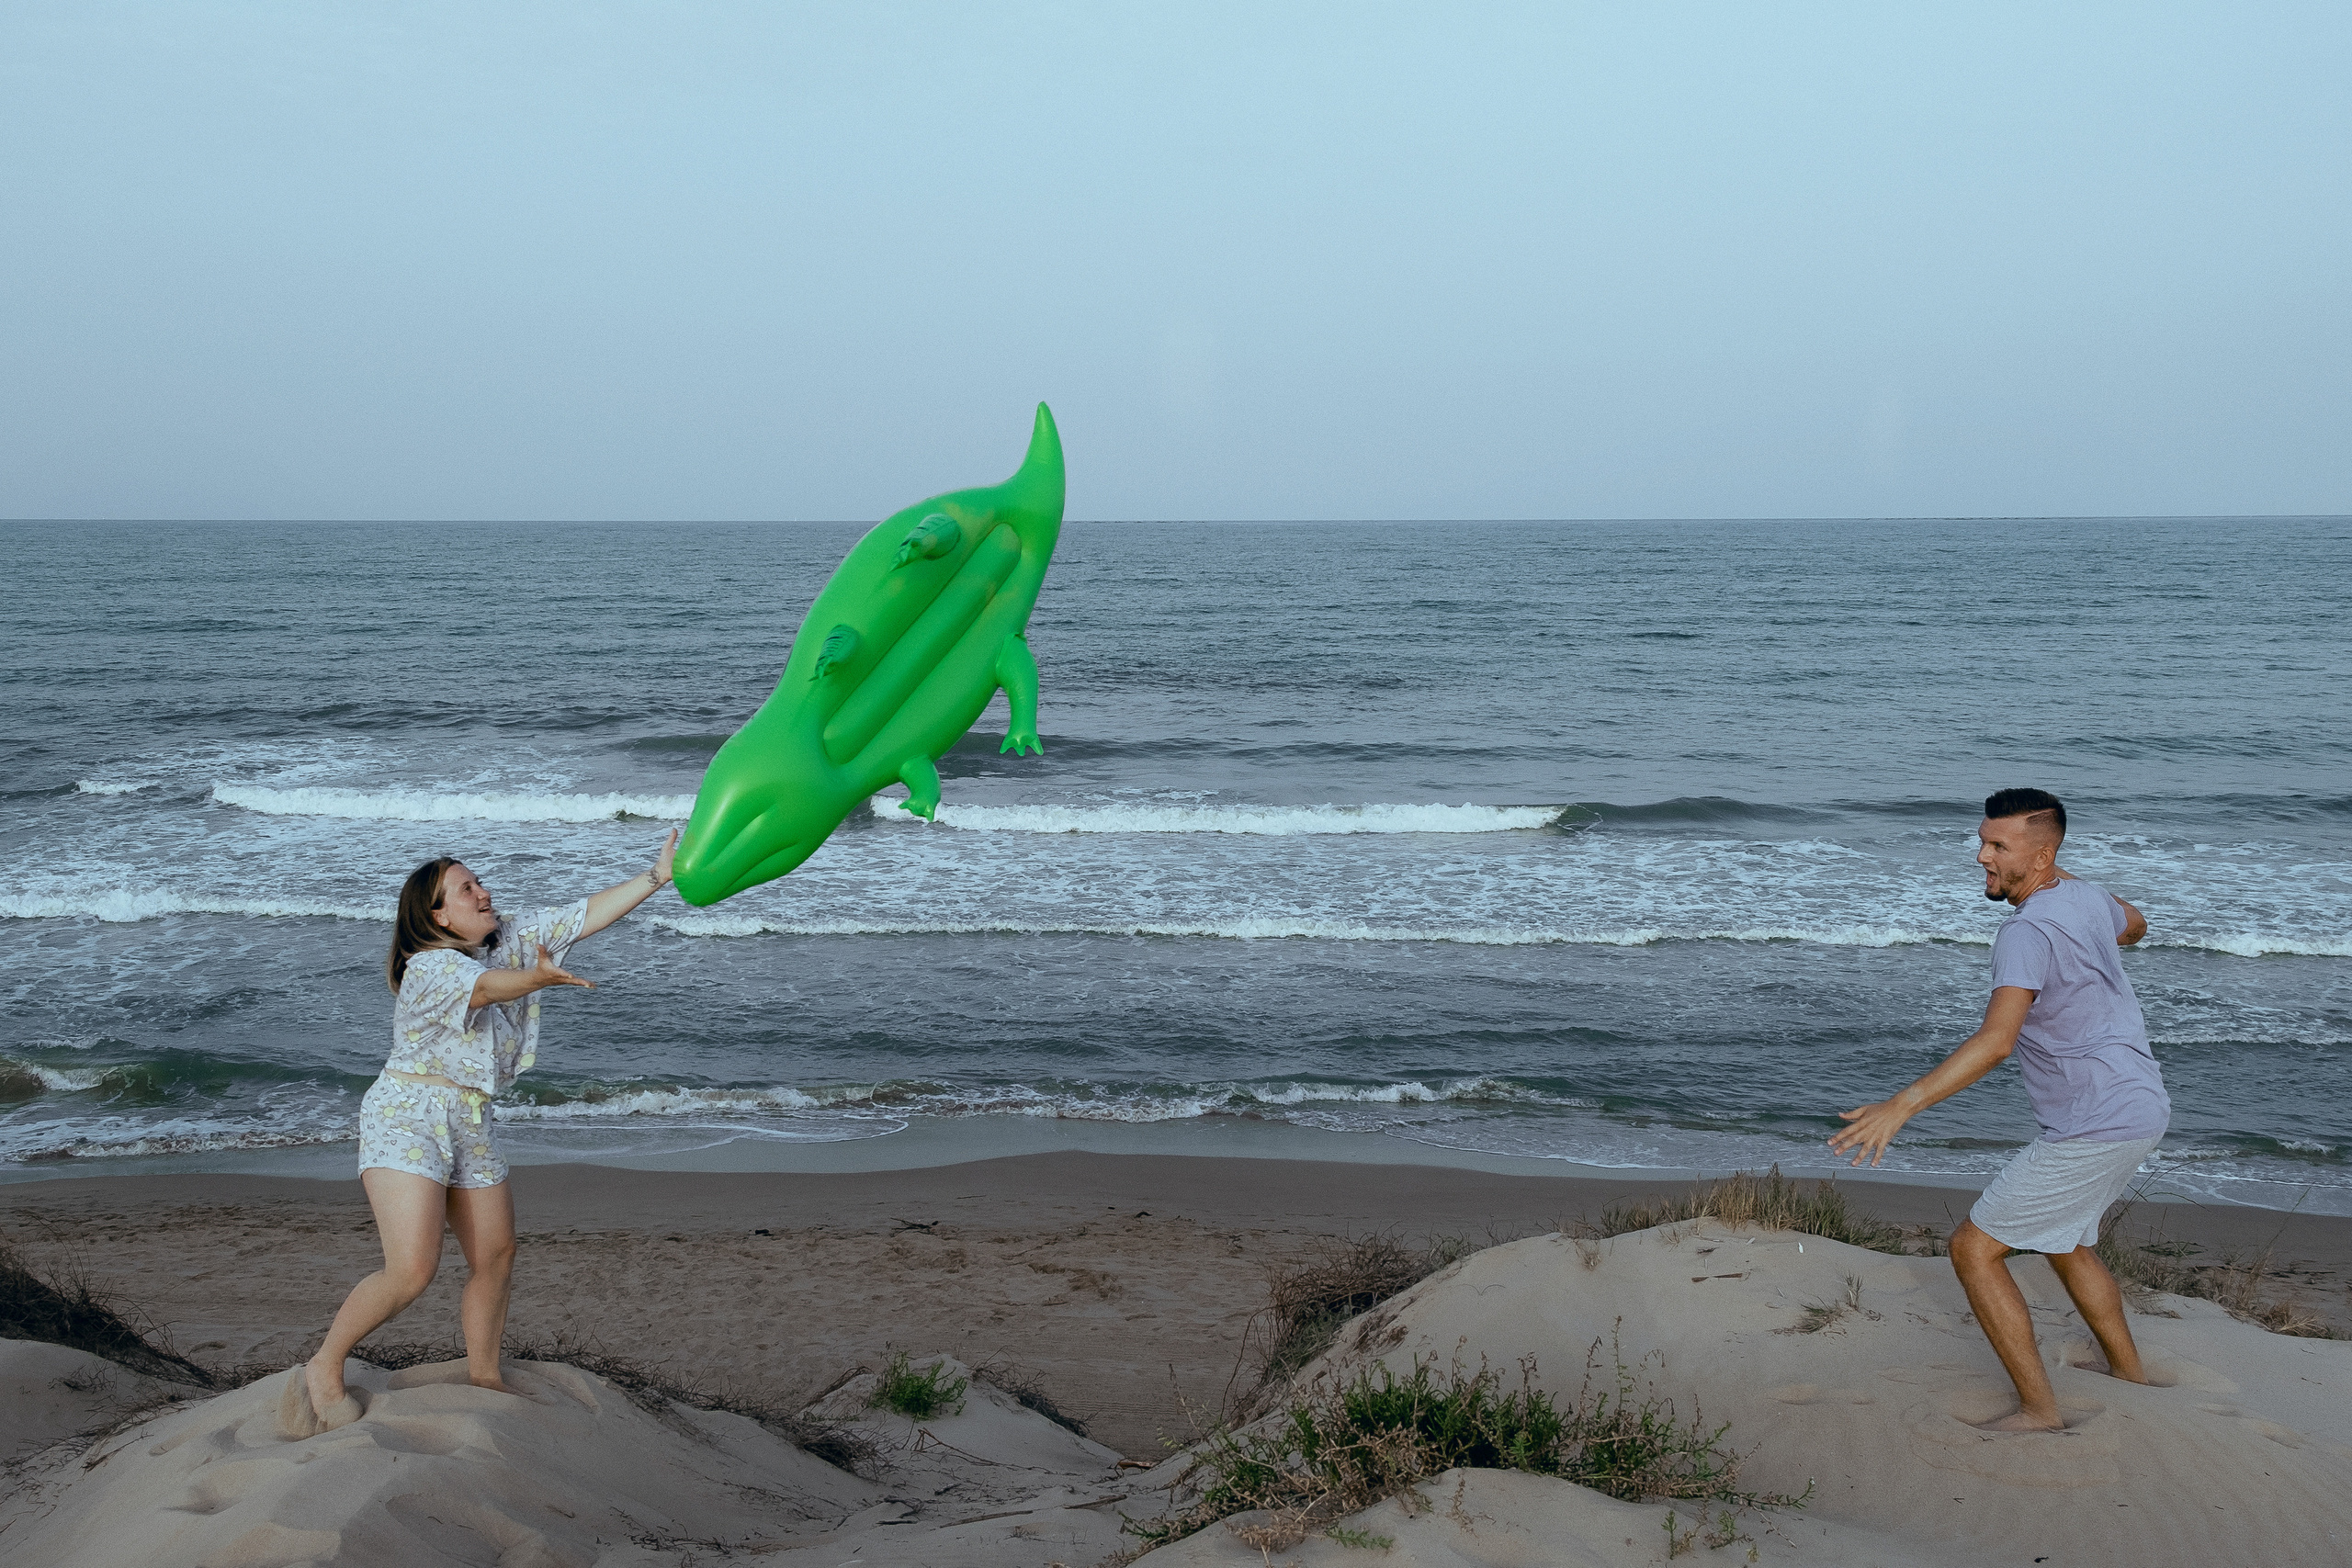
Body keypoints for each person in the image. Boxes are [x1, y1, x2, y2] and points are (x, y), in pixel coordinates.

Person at [280, 832, 678, 1438]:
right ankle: (325, 1363)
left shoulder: (508, 939)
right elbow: (489, 989)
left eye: (479, 882)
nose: (483, 891)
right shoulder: (429, 967)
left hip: (470, 1116)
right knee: (412, 1268)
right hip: (408, 1112)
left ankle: (486, 1376)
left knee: (496, 1253)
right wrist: (537, 979)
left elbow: (582, 914)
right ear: (437, 913)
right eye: (467, 888)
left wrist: (657, 876)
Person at [1828, 787, 2166, 1433]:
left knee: (1973, 1248)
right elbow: (2137, 921)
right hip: (2140, 1104)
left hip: (2094, 1120)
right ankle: (2129, 1372)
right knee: (2066, 1240)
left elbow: (1997, 1040)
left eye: (1998, 846)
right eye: (1982, 840)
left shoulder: (2026, 930)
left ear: (2042, 856)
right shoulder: (2082, 895)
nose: (1982, 855)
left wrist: (1902, 1105)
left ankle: (2040, 1410)